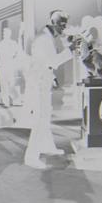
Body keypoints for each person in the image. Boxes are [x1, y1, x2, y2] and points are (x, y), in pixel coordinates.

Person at [24, 10, 73, 169]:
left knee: (45, 117)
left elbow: (44, 64)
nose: (64, 28)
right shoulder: (43, 39)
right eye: (62, 25)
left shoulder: (47, 38)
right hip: (37, 86)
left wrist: (52, 77)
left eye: (65, 25)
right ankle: (31, 157)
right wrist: (70, 51)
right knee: (39, 120)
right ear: (53, 23)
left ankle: (47, 146)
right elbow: (51, 62)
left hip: (43, 84)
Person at [0, 25, 25, 107]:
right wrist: (11, 53)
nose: (5, 34)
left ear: (10, 34)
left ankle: (15, 100)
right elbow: (4, 54)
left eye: (7, 33)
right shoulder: (0, 44)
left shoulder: (13, 43)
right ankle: (5, 101)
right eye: (4, 33)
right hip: (3, 65)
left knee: (12, 83)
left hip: (10, 65)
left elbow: (16, 52)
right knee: (3, 84)